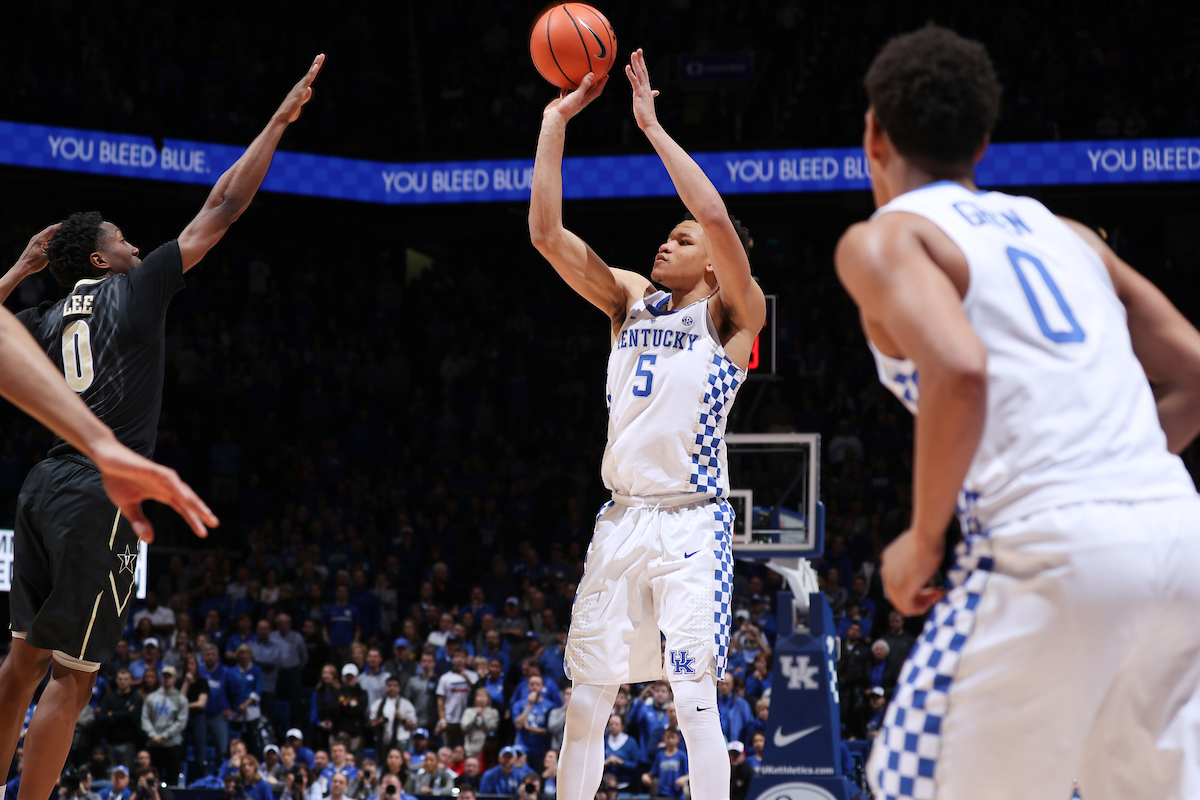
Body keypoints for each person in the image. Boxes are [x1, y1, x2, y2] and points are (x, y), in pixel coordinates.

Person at [835, 24, 1200, 800]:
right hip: (1178, 536)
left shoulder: (884, 239)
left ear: (873, 133)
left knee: (908, 781)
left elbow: (959, 370)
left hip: (1049, 547)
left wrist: (922, 542)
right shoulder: (1067, 233)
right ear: (985, 142)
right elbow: (1195, 372)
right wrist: (1110, 472)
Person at [528, 50, 764, 800]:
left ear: (717, 268)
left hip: (693, 524)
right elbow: (545, 235)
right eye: (667, 234)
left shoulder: (733, 315)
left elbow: (719, 217)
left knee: (693, 695)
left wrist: (653, 128)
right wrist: (552, 122)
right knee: (588, 700)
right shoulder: (628, 298)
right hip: (621, 519)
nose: (666, 242)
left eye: (682, 239)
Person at [0, 221, 220, 800]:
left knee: (21, 665)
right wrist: (276, 125)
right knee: (71, 679)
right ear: (99, 261)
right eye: (122, 239)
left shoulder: (47, 317)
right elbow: (221, 205)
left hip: (42, 485)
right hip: (98, 492)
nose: (136, 247)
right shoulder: (138, 287)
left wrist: (21, 269)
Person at [141, 665, 187, 785]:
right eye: (164, 676)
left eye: (169, 676)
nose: (166, 679)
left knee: (172, 780)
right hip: (154, 744)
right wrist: (153, 735)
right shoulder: (152, 697)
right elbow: (145, 718)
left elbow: (181, 722)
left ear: (175, 679)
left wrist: (165, 736)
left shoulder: (181, 699)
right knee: (153, 779)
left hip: (172, 744)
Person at [197, 644, 239, 774]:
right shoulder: (199, 671)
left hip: (218, 716)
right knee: (199, 750)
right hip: (200, 716)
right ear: (203, 657)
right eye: (207, 655)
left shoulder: (226, 672)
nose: (210, 657)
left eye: (212, 654)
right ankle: (201, 775)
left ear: (217, 656)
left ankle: (221, 776)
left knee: (222, 749)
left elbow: (236, 692)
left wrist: (232, 709)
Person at [98, 669, 142, 769]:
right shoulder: (109, 697)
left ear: (131, 681)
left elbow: (134, 717)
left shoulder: (136, 697)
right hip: (110, 741)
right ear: (116, 680)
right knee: (111, 773)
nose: (122, 681)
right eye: (120, 679)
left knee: (126, 773)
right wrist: (126, 713)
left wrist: (113, 713)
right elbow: (102, 717)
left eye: (125, 679)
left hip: (129, 742)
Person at [434, 651, 478, 748]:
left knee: (467, 749)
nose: (459, 659)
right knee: (448, 749)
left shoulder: (473, 676)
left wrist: (466, 677)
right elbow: (440, 700)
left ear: (466, 659)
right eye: (457, 656)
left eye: (462, 657)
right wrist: (442, 720)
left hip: (468, 719)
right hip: (450, 719)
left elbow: (477, 693)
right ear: (453, 659)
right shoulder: (445, 677)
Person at [513, 675, 554, 772]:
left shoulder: (550, 706)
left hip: (541, 751)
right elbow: (518, 724)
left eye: (537, 684)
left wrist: (531, 729)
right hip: (522, 751)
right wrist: (529, 705)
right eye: (532, 684)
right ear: (528, 686)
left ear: (542, 687)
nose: (535, 687)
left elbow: (549, 731)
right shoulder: (519, 704)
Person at [372, 676, 418, 754]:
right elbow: (372, 724)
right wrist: (380, 721)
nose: (392, 688)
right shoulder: (378, 704)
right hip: (382, 741)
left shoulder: (406, 704)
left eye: (395, 686)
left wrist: (402, 719)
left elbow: (413, 726)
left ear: (399, 688)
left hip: (401, 740)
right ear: (386, 687)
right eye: (389, 685)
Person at [641, 727, 687, 800]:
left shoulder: (682, 756)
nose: (670, 740)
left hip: (677, 795)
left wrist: (684, 778)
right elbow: (653, 773)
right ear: (664, 738)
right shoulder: (660, 756)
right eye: (668, 737)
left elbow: (689, 774)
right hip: (662, 794)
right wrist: (645, 776)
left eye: (673, 737)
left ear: (678, 739)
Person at [460, 688, 499, 762]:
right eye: (479, 696)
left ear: (488, 699)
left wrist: (483, 717)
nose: (481, 699)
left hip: (486, 749)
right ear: (475, 698)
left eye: (484, 696)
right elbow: (464, 727)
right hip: (470, 747)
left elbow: (492, 729)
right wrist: (475, 716)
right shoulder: (468, 711)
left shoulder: (493, 712)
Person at [600, 716, 639, 789]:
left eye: (616, 724)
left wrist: (621, 762)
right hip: (606, 784)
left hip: (626, 784)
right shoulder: (603, 742)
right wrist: (606, 762)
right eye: (611, 724)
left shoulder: (631, 742)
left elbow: (636, 765)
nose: (613, 727)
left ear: (622, 726)